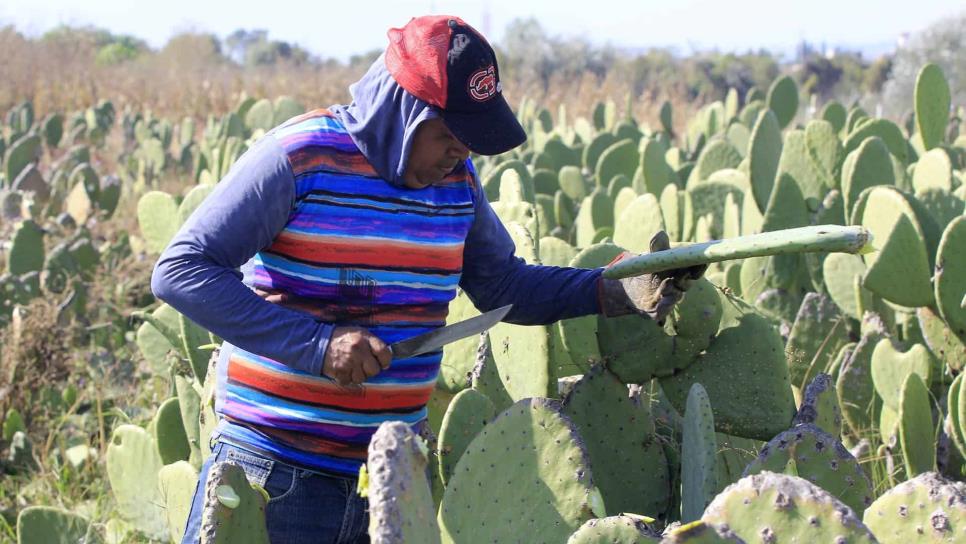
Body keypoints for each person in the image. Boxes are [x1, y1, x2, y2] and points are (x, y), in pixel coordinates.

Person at [152, 14, 704, 544]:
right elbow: (180, 270)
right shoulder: (300, 158)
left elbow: (505, 289)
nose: (461, 152)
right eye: (449, 134)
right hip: (274, 477)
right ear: (404, 109)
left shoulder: (456, 183)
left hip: (388, 481)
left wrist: (615, 289)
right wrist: (317, 346)